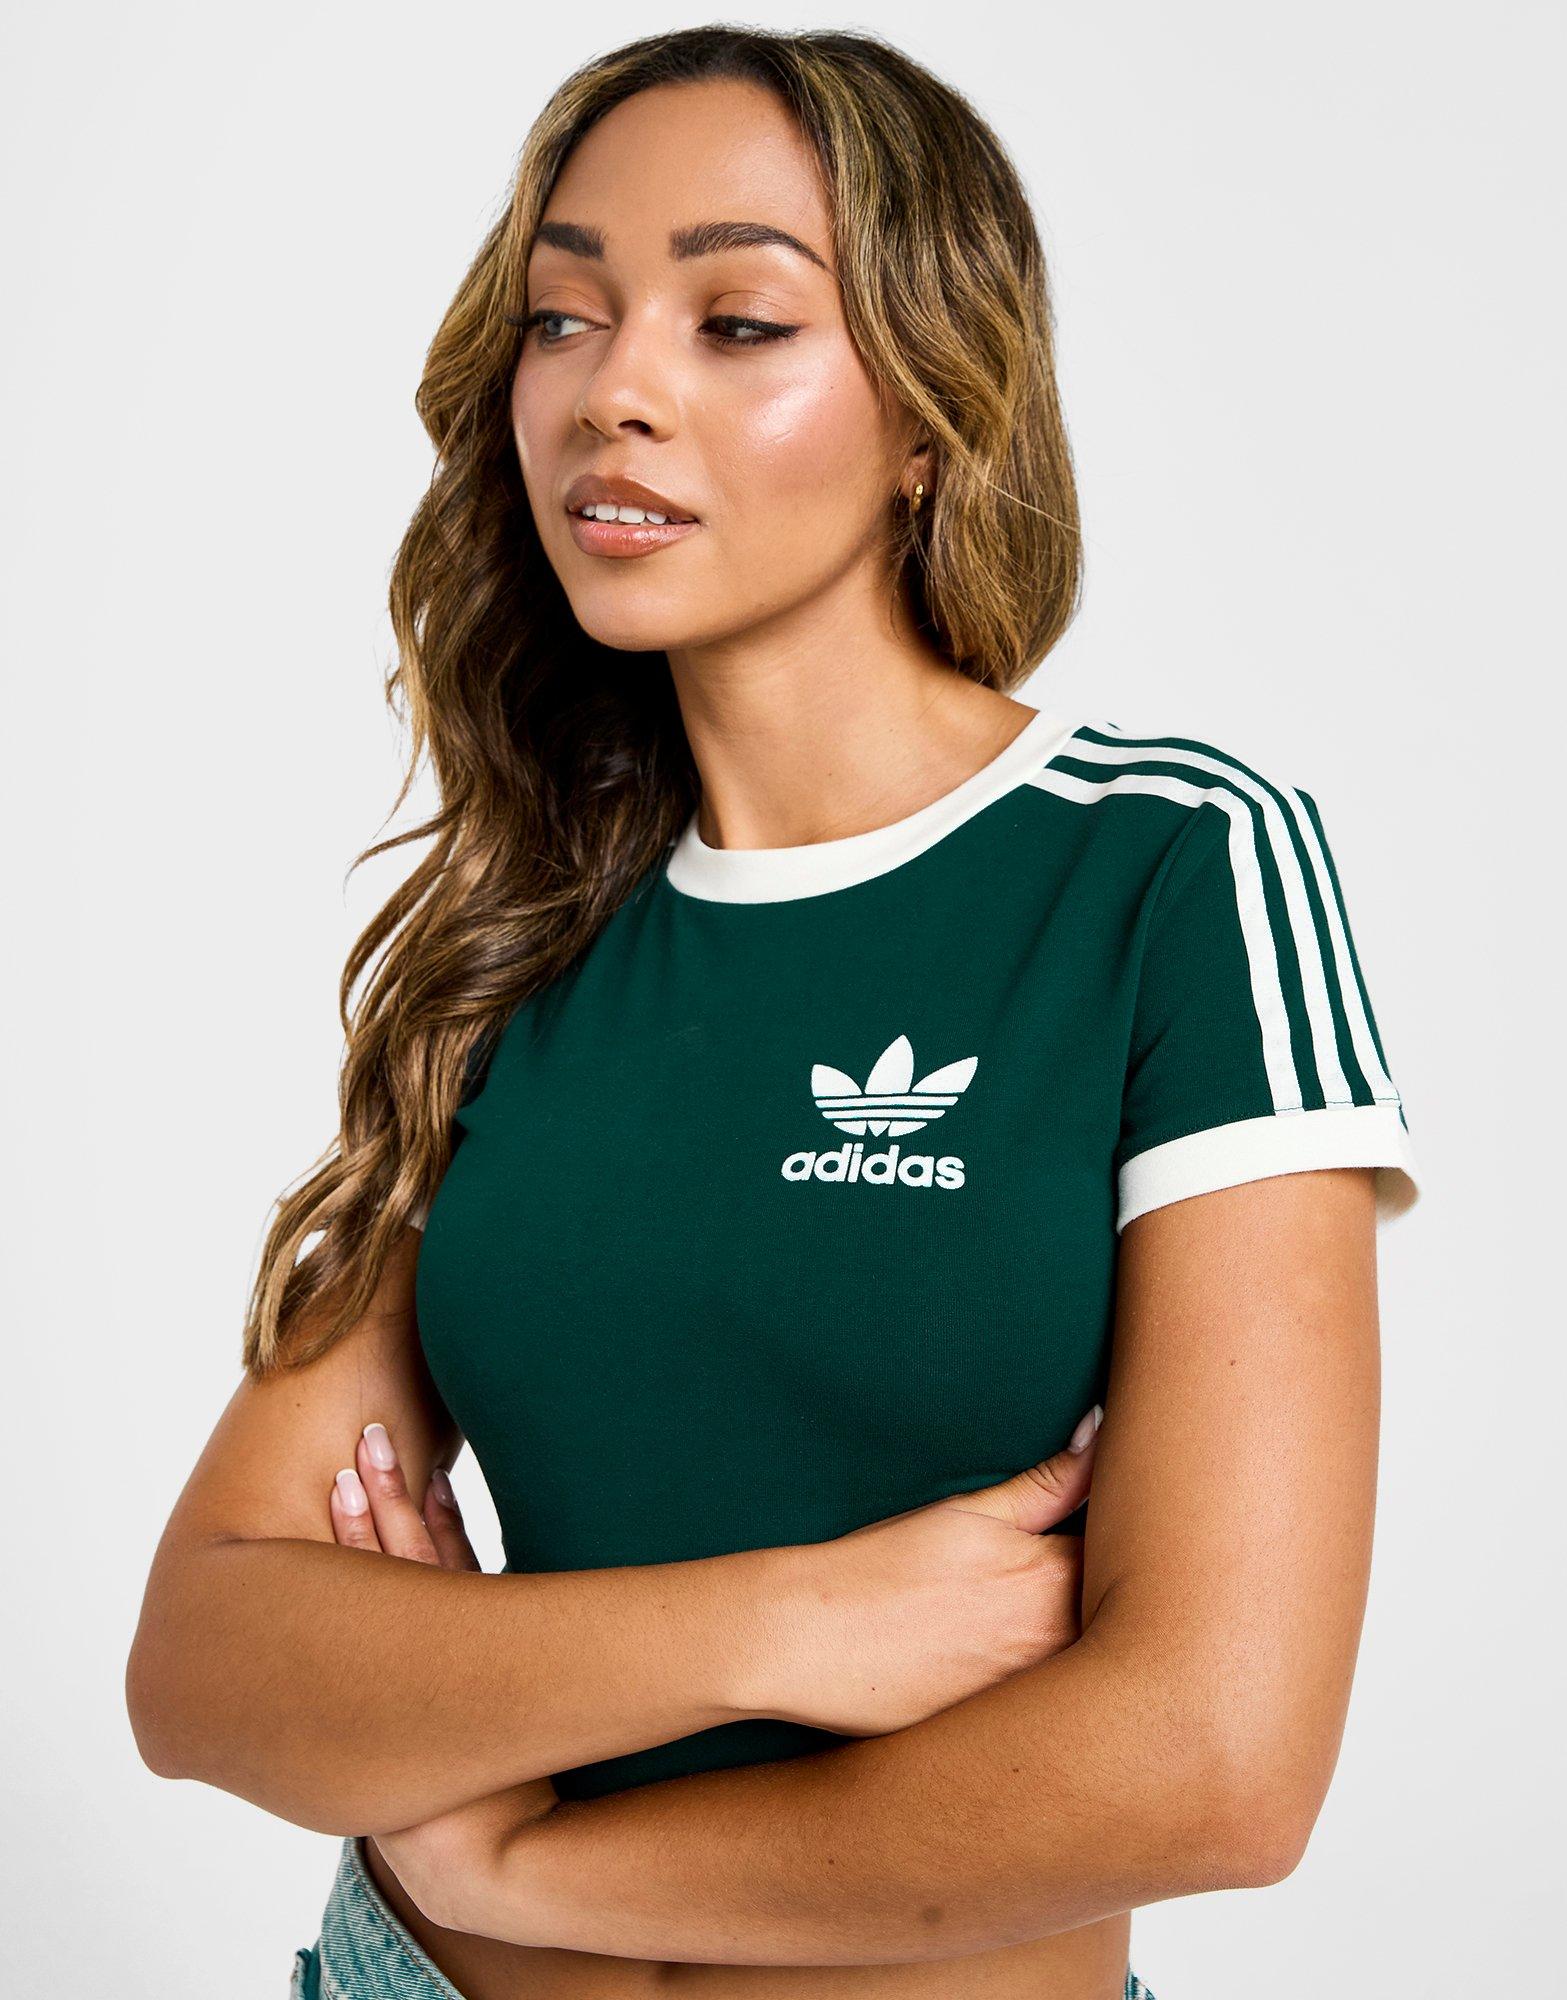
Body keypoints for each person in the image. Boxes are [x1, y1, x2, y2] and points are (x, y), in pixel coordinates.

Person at [125, 25, 1421, 2000]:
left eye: (737, 322)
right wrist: (795, 1622)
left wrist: (530, 1864)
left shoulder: (1168, 868)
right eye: (563, 319)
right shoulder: (522, 930)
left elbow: (1216, 1764)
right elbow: (206, 1663)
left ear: (931, 416)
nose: (612, 391)